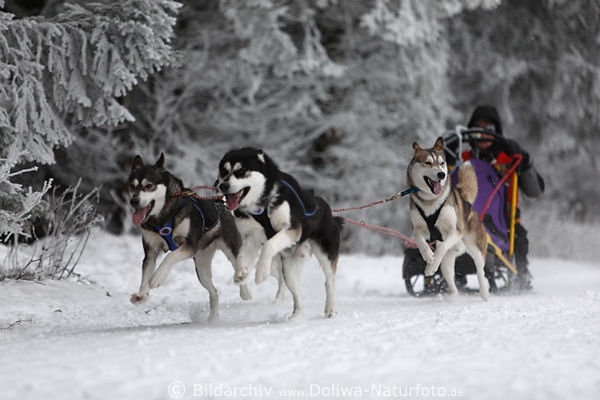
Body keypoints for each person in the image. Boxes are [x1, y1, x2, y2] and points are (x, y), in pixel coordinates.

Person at [463, 105, 544, 290]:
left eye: (488, 131)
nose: (482, 137)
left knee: (520, 237)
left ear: (496, 132)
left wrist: (525, 164)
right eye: (477, 132)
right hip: (467, 218)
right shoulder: (464, 158)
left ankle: (522, 274)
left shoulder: (508, 157)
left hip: (504, 222)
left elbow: (535, 191)